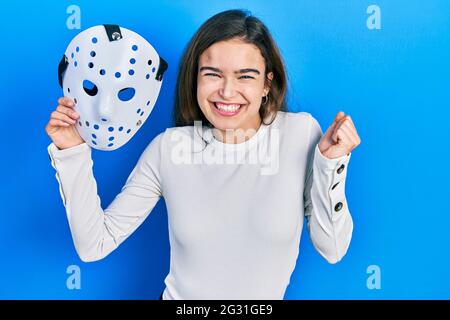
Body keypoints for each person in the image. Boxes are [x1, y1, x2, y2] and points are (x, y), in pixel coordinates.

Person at [46, 9, 361, 300]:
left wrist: (329, 164)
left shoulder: (301, 134)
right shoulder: (168, 149)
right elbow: (94, 244)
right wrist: (71, 151)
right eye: (212, 74)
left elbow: (332, 248)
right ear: (195, 78)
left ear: (267, 83)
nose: (226, 91)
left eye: (245, 76)